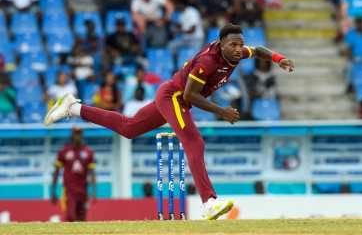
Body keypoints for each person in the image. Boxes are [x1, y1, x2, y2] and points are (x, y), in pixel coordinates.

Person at [44, 24, 294, 220]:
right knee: (194, 143)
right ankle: (209, 202)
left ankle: (74, 108)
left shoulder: (236, 54)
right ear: (221, 44)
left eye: (241, 44)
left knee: (129, 128)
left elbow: (259, 49)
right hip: (174, 96)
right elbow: (189, 95)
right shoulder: (207, 61)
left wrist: (278, 58)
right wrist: (221, 111)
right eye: (234, 45)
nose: (240, 49)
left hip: (176, 98)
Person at [51, 127, 96, 222]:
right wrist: (53, 191)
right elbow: (56, 172)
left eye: (79, 133)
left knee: (82, 218)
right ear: (72, 135)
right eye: (76, 133)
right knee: (71, 217)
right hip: (69, 191)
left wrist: (94, 192)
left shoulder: (88, 152)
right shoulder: (64, 151)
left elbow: (92, 173)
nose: (77, 136)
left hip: (83, 190)